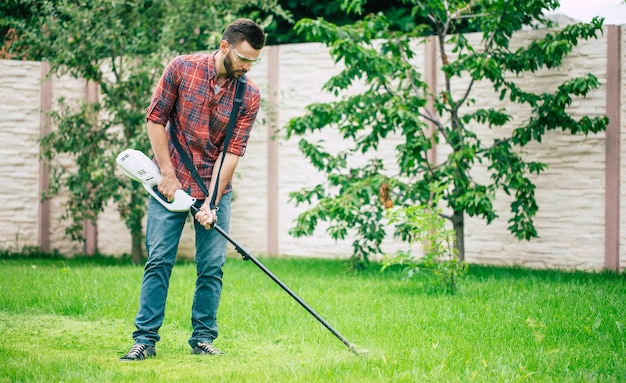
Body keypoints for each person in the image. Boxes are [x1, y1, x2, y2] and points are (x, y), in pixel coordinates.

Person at [120, 18, 266, 361]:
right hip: (170, 181)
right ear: (224, 46)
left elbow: (232, 152)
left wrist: (211, 203)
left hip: (214, 184)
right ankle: (145, 339)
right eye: (244, 59)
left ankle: (202, 338)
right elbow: (156, 119)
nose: (247, 67)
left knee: (212, 265)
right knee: (159, 259)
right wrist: (167, 175)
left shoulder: (250, 95)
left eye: (254, 61)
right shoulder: (182, 69)